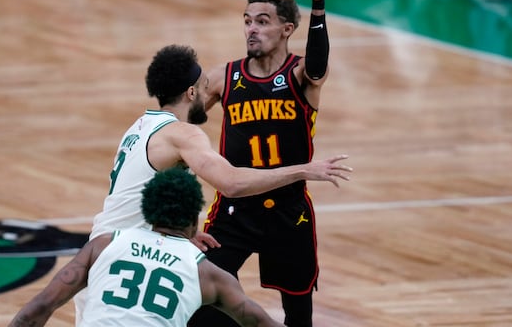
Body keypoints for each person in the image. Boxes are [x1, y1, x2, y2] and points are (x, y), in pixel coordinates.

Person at [75, 44, 353, 323]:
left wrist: (183, 233)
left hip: (104, 255)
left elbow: (137, 197)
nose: (210, 95)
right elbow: (231, 183)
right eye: (205, 87)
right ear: (192, 93)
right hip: (129, 262)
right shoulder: (183, 135)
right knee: (221, 306)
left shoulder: (140, 126)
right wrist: (304, 170)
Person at [188, 0, 334, 327]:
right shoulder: (225, 77)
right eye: (248, 21)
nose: (252, 29)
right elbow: (181, 124)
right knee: (202, 302)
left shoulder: (301, 75)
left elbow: (318, 65)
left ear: (287, 29)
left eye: (263, 21)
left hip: (288, 210)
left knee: (298, 314)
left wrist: (318, 1)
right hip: (236, 210)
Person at [8, 167, 287, 327]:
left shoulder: (104, 244)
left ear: (149, 209)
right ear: (193, 217)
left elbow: (39, 307)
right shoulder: (208, 274)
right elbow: (261, 323)